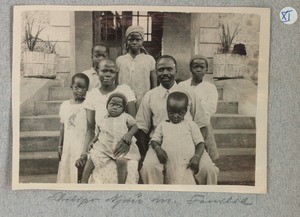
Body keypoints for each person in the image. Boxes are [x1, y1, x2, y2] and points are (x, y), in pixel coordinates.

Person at [136, 55, 219, 185]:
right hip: (160, 145)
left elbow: (201, 123)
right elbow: (142, 128)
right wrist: (148, 153)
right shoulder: (150, 96)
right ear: (156, 71)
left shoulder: (189, 93)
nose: (165, 73)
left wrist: (198, 153)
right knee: (148, 167)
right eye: (161, 70)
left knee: (208, 169)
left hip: (189, 144)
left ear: (176, 70)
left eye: (169, 69)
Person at [75, 58, 138, 184]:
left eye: (111, 71)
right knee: (94, 165)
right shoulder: (92, 95)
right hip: (102, 144)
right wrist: (84, 152)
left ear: (116, 73)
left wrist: (127, 140)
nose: (108, 74)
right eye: (104, 71)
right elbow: (90, 128)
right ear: (97, 72)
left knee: (128, 168)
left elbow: (133, 123)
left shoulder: (125, 90)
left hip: (123, 143)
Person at [81, 93, 140, 184]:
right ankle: (84, 180)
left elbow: (135, 127)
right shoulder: (104, 118)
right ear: (107, 105)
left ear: (123, 109)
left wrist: (129, 135)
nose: (115, 108)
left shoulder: (126, 117)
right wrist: (92, 142)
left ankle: (121, 184)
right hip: (104, 147)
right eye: (112, 104)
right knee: (92, 158)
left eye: (119, 106)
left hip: (119, 147)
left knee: (121, 161)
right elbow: (100, 133)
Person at [150, 92, 206, 184]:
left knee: (187, 182)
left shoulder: (190, 125)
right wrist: (158, 149)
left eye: (180, 113)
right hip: (170, 162)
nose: (175, 116)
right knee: (172, 181)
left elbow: (200, 143)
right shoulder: (163, 125)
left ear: (186, 111)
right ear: (167, 110)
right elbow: (154, 140)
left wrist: (197, 157)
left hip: (187, 163)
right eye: (171, 112)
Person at [179, 55, 219, 160]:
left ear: (206, 69)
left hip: (203, 124)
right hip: (184, 122)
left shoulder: (210, 88)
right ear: (190, 68)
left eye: (202, 67)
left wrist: (193, 104)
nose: (198, 69)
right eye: (195, 67)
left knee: (204, 154)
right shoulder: (182, 86)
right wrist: (200, 103)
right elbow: (180, 104)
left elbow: (211, 108)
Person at [57, 73, 89, 183]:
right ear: (71, 87)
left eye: (83, 88)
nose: (80, 91)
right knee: (66, 167)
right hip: (67, 145)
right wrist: (60, 145)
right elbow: (63, 126)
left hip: (80, 144)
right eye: (77, 87)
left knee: (77, 170)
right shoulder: (64, 105)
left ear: (87, 89)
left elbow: (89, 128)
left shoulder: (87, 106)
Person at [116, 26, 157, 109]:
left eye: (138, 40)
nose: (134, 42)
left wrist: (152, 98)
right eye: (131, 40)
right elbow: (116, 83)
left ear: (142, 41)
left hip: (143, 99)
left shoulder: (149, 59)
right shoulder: (120, 60)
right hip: (124, 98)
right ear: (127, 41)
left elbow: (154, 84)